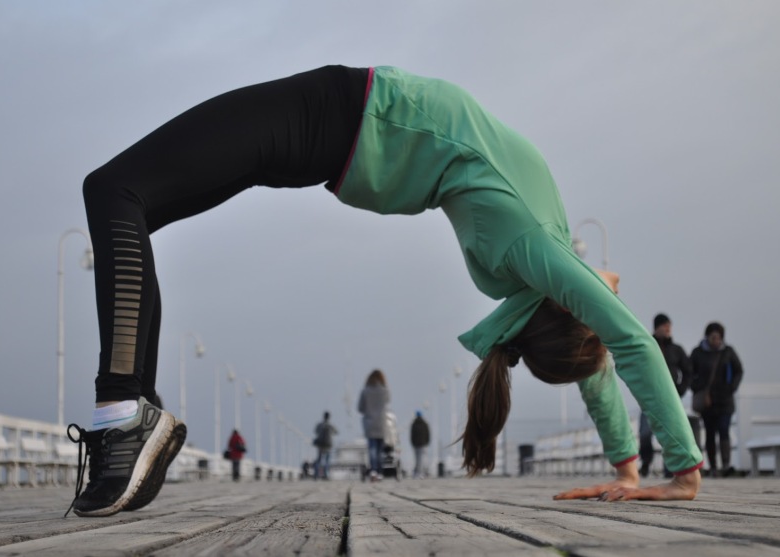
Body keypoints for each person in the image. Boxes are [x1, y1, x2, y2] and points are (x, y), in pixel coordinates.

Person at [72, 65, 702, 515]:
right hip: (343, 118)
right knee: (128, 200)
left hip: (336, 119)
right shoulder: (538, 250)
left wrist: (638, 468)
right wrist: (678, 470)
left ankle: (125, 412)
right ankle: (132, 410)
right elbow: (621, 341)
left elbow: (603, 348)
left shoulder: (539, 258)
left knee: (117, 192)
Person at [639, 313, 693, 478]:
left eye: (670, 326)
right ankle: (646, 463)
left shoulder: (677, 350)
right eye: (665, 326)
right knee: (645, 434)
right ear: (657, 328)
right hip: (650, 399)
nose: (668, 329)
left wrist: (680, 389)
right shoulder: (647, 346)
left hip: (670, 399)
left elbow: (688, 371)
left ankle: (670, 469)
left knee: (670, 434)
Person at [690, 322, 744, 477]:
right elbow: (690, 373)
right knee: (710, 433)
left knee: (724, 430)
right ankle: (713, 466)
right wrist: (698, 387)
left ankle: (726, 465)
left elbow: (739, 371)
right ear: (707, 337)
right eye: (713, 337)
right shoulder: (698, 353)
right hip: (708, 402)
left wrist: (731, 387)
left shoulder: (728, 352)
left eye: (719, 338)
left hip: (725, 400)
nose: (716, 341)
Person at [358, 369, 390, 482]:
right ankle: (380, 472)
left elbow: (360, 408)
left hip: (370, 423)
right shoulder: (384, 391)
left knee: (372, 448)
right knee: (380, 450)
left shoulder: (365, 391)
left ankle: (373, 471)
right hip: (381, 423)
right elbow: (388, 401)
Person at [313, 411, 338, 480]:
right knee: (327, 461)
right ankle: (326, 474)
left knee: (319, 460)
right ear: (329, 417)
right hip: (328, 445)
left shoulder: (320, 425)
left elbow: (316, 431)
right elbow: (336, 432)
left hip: (320, 445)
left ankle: (316, 474)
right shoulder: (331, 425)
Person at [410, 411, 431, 479]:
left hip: (416, 445)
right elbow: (428, 434)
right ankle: (423, 472)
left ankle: (418, 472)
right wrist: (427, 442)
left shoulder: (414, 424)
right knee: (423, 459)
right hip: (423, 444)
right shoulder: (425, 424)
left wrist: (413, 443)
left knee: (417, 459)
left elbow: (412, 435)